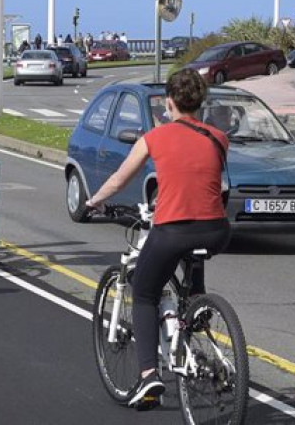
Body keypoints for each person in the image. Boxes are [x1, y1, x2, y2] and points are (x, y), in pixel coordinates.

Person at [86, 69, 230, 411]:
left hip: (173, 230)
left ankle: (149, 375)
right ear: (200, 103)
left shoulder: (155, 138)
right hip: (216, 230)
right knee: (190, 259)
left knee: (145, 292)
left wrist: (94, 201)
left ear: (169, 102)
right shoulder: (218, 137)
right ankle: (197, 308)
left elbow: (121, 179)